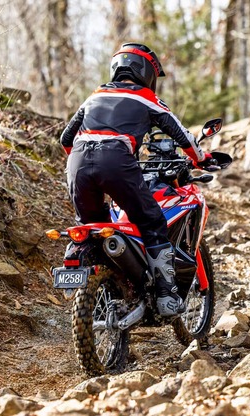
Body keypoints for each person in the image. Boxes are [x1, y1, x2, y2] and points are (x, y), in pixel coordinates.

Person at [59, 42, 214, 317]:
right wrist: (200, 157)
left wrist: (83, 163)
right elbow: (181, 134)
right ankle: (167, 296)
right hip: (116, 161)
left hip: (77, 163)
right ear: (147, 72)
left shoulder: (94, 96)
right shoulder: (146, 98)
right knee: (152, 221)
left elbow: (65, 139)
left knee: (93, 227)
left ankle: (97, 287)